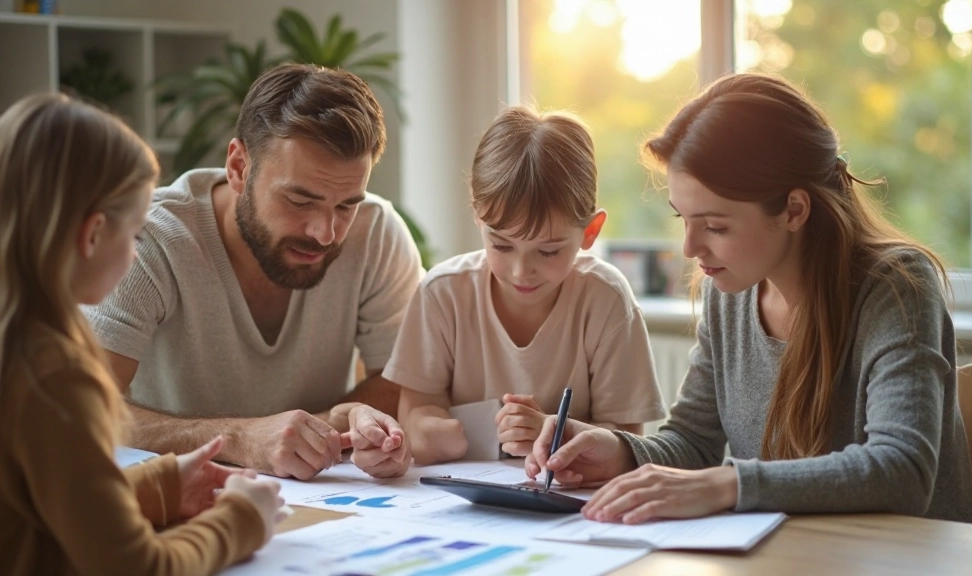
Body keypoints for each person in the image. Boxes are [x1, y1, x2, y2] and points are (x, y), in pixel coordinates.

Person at [527, 74, 972, 524]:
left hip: (908, 556)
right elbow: (693, 441)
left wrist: (729, 485)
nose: (690, 248)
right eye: (683, 218)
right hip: (798, 553)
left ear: (794, 210)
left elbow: (902, 472)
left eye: (715, 226)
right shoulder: (729, 291)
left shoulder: (896, 287)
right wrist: (619, 451)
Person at [85, 64, 421, 480]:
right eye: (300, 201)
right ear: (239, 167)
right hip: (173, 495)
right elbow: (80, 406)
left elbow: (402, 381)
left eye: (345, 205)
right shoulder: (149, 241)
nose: (325, 233)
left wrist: (332, 428)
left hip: (321, 497)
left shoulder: (377, 233)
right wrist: (239, 439)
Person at [0, 93, 286, 575]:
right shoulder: (53, 374)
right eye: (134, 235)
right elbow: (137, 567)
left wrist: (160, 486)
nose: (136, 254)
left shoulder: (19, 345)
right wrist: (243, 518)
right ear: (92, 234)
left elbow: (49, 502)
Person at [386, 106, 665, 465]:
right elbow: (415, 414)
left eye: (548, 251)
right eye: (501, 245)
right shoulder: (443, 294)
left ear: (590, 231)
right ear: (478, 215)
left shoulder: (606, 300)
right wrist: (450, 433)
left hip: (569, 494)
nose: (521, 272)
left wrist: (554, 433)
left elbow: (627, 441)